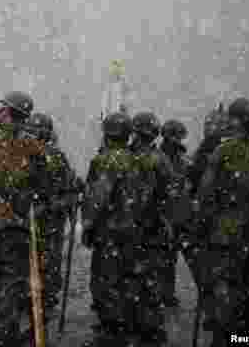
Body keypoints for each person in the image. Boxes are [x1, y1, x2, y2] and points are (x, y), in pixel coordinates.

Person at [0, 91, 52, 347]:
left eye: (2, 108)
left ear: (7, 112)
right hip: (16, 227)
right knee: (9, 292)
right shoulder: (33, 145)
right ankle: (6, 338)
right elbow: (46, 184)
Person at [81, 111, 170, 347]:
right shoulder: (140, 160)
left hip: (110, 234)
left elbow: (97, 200)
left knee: (106, 285)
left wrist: (88, 226)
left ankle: (113, 334)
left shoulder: (106, 160)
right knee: (133, 282)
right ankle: (140, 330)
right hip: (136, 233)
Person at [194, 97, 249, 345]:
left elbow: (205, 193)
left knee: (224, 294)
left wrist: (201, 225)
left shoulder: (221, 151)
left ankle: (226, 338)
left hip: (225, 237)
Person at [27, 111, 78, 320]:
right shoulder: (55, 155)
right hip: (45, 220)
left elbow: (67, 190)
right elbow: (68, 190)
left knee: (35, 263)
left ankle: (35, 301)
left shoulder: (21, 153)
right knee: (47, 263)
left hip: (38, 219)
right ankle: (43, 302)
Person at [157, 119, 192, 306]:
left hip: (181, 215)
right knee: (164, 260)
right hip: (164, 216)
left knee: (174, 258)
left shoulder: (184, 158)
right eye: (176, 137)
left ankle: (166, 294)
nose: (179, 141)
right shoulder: (159, 157)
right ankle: (164, 294)